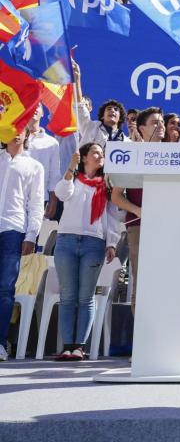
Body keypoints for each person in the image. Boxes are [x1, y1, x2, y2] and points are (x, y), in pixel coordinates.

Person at [53, 143, 120, 360]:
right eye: (95, 153)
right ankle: (67, 346)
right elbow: (62, 194)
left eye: (102, 153)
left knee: (85, 296)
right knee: (68, 295)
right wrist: (71, 167)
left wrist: (111, 242)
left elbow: (112, 216)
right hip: (66, 240)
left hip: (94, 243)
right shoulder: (73, 179)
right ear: (84, 158)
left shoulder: (107, 185)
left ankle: (79, 346)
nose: (100, 156)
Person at [110, 107, 165, 314]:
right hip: (139, 226)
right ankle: (140, 341)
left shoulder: (175, 155)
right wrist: (139, 210)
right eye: (155, 123)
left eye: (162, 123)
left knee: (164, 283)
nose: (160, 127)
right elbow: (116, 196)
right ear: (141, 128)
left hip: (168, 226)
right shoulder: (132, 155)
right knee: (142, 283)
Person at [0, 129, 44, 362]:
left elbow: (36, 204)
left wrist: (31, 235)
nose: (16, 133)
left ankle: (0, 342)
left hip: (13, 230)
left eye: (21, 129)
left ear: (27, 134)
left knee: (5, 289)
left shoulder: (34, 166)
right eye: (12, 127)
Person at [72, 62, 128, 147]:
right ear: (102, 116)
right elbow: (79, 105)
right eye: (109, 109)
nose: (112, 110)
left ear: (120, 118)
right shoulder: (91, 127)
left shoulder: (127, 142)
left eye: (116, 110)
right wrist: (77, 78)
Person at [26, 105, 61, 221]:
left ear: (43, 113)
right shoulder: (11, 139)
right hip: (11, 197)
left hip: (39, 199)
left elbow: (54, 175)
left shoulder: (52, 143)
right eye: (31, 104)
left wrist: (53, 201)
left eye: (38, 106)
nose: (35, 108)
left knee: (31, 238)